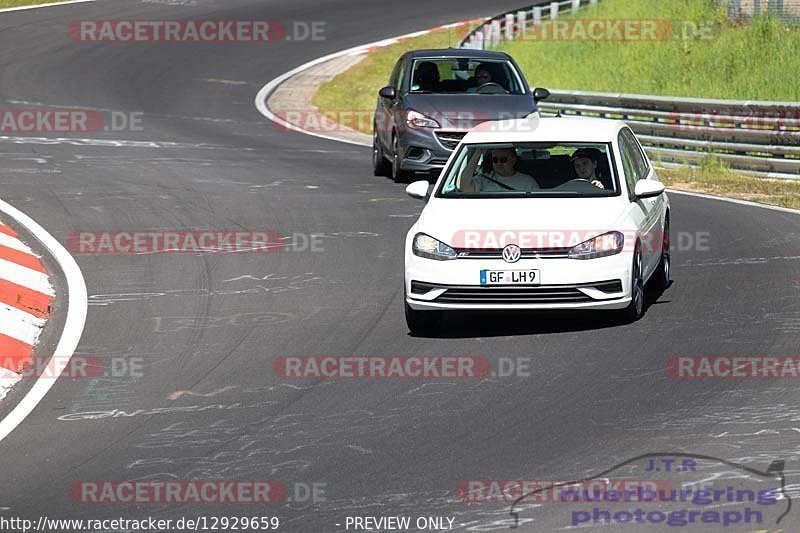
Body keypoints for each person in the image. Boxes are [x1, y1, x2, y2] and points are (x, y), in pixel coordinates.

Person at [462, 148, 540, 192]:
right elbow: (465, 188)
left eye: (503, 159)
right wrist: (477, 153)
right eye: (495, 160)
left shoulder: (528, 181)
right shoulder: (483, 179)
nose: (499, 163)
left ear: (513, 160)